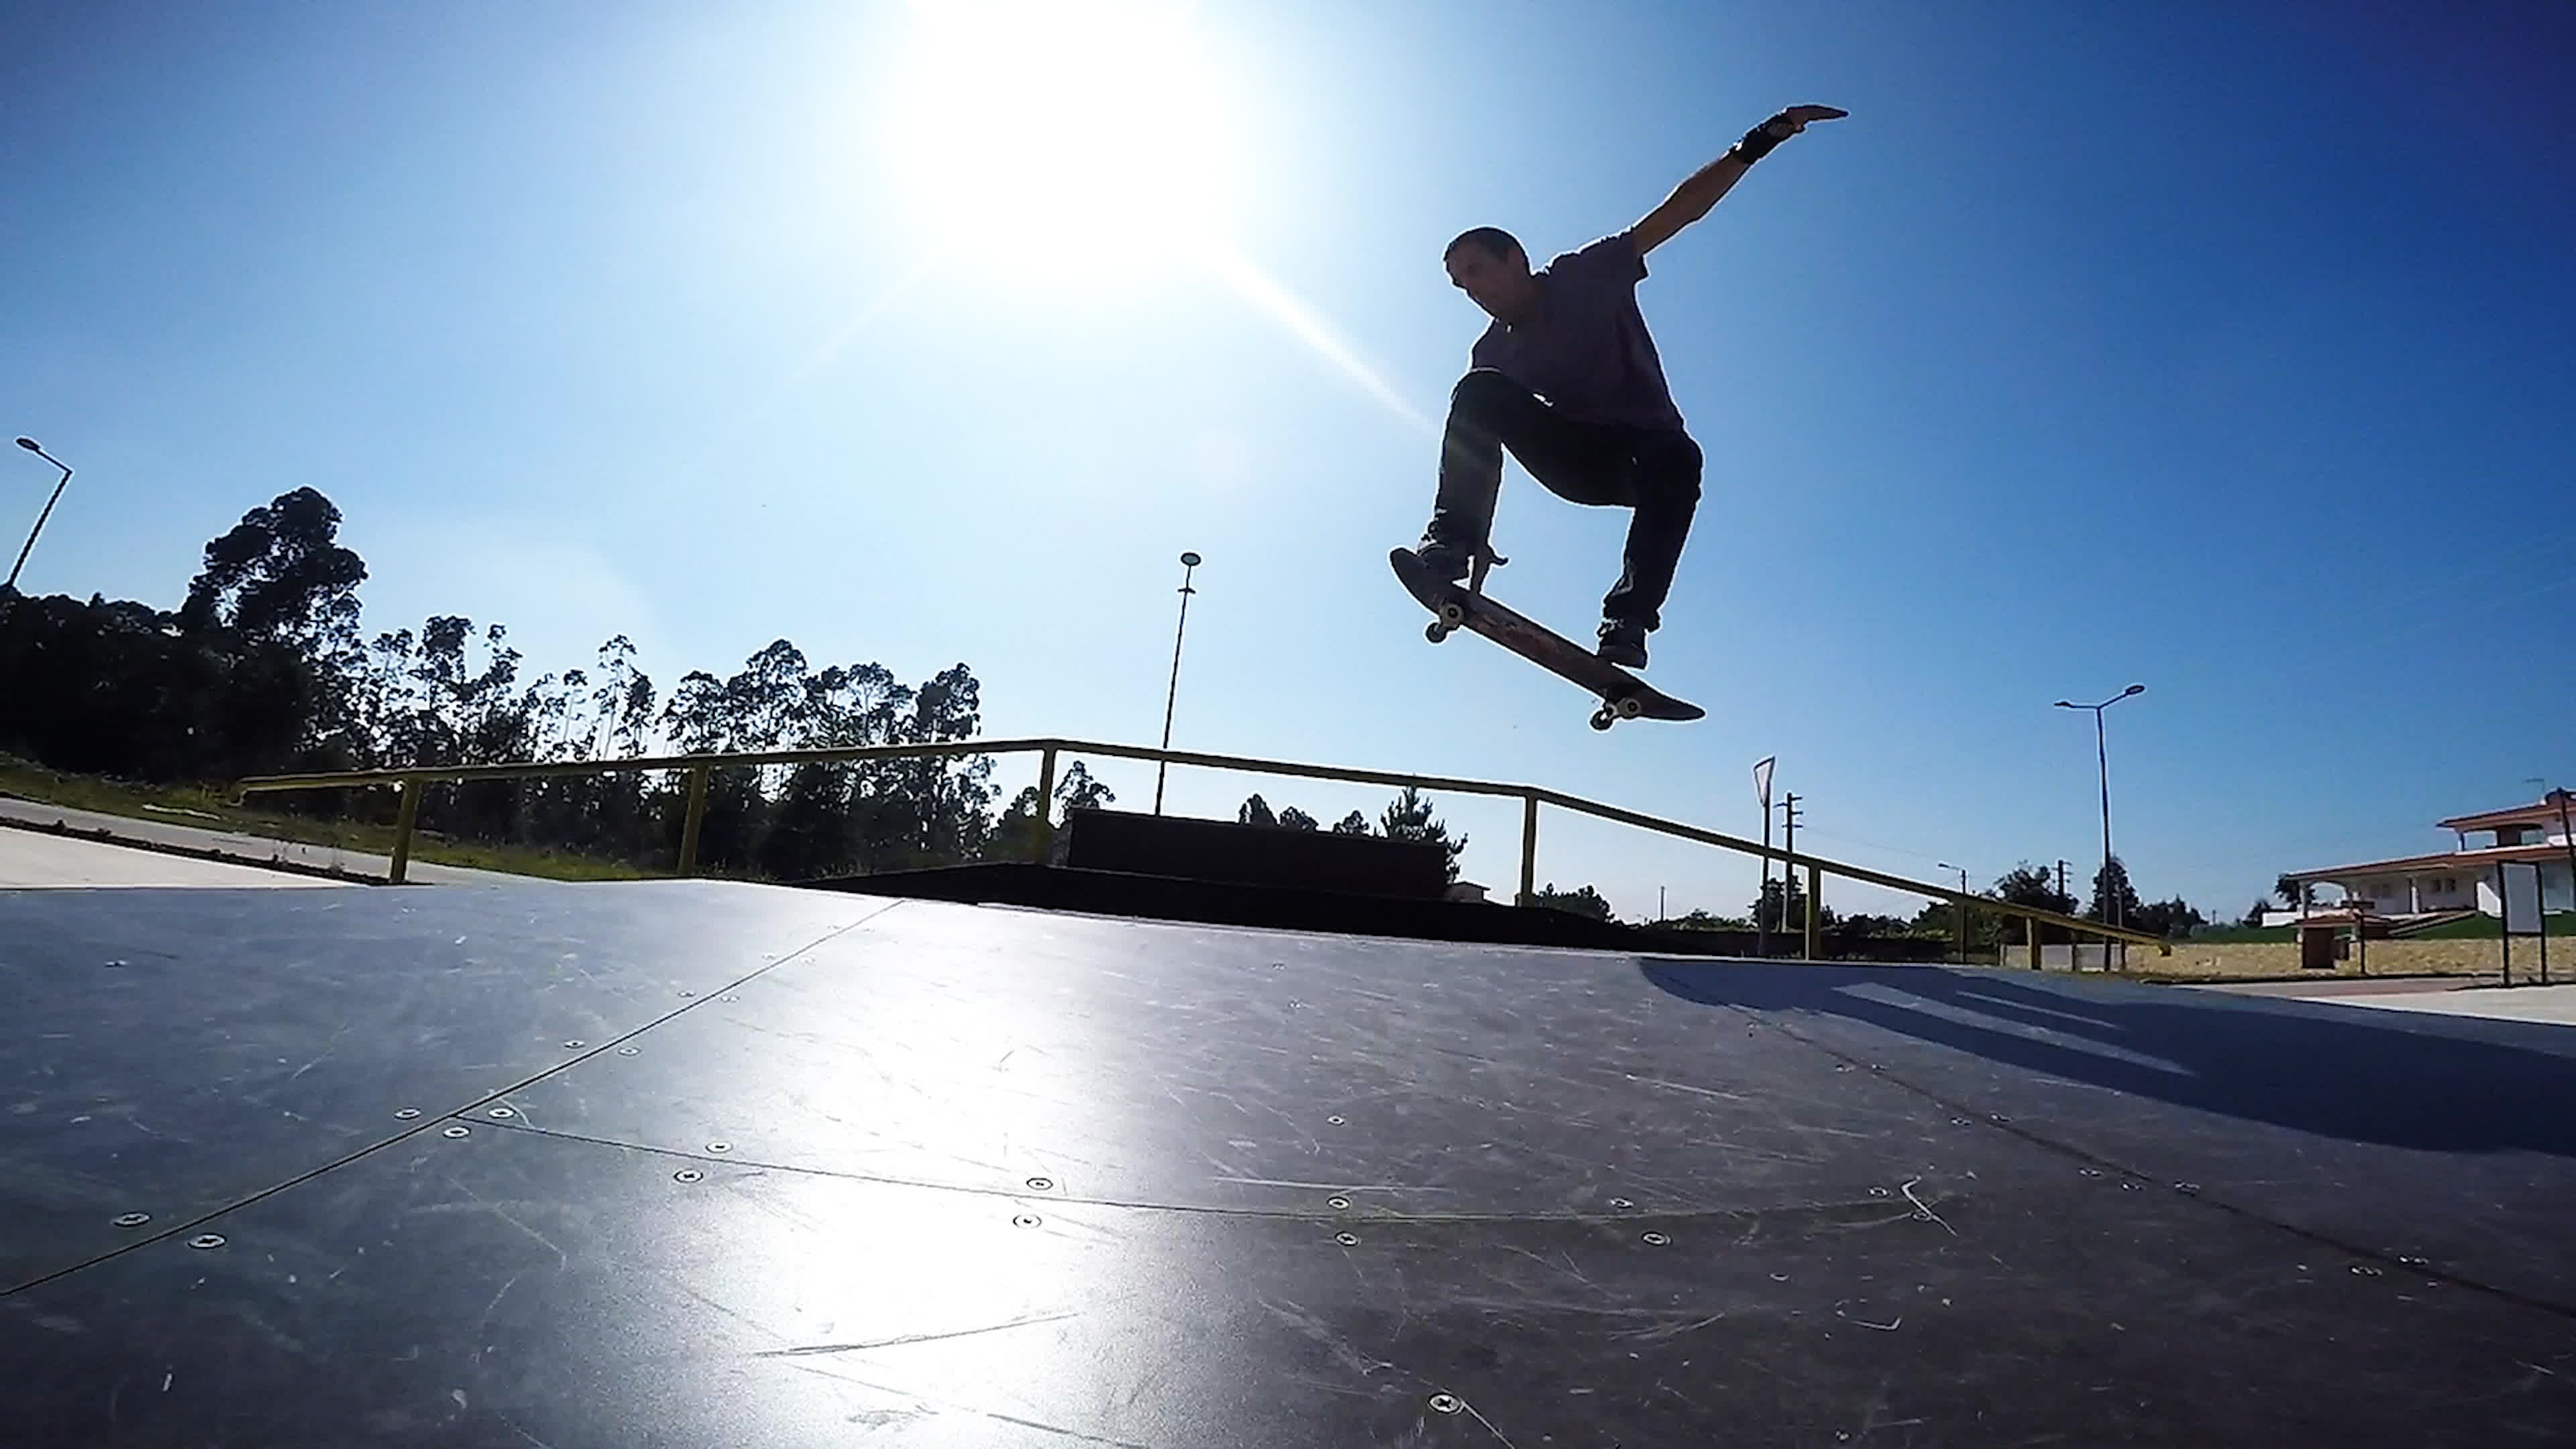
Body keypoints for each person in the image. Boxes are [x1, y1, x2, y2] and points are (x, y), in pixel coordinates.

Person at [1411, 104, 1847, 670]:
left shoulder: (1585, 275)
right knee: (1477, 390)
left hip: (1645, 457)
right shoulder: (1492, 351)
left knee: (1679, 456)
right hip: (1577, 460)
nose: (1470, 290)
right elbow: (1481, 447)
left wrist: (1757, 143)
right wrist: (1473, 547)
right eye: (1458, 283)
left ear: (1516, 258)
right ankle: (1448, 537)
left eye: (1475, 271)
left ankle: (1629, 620)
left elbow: (1679, 213)